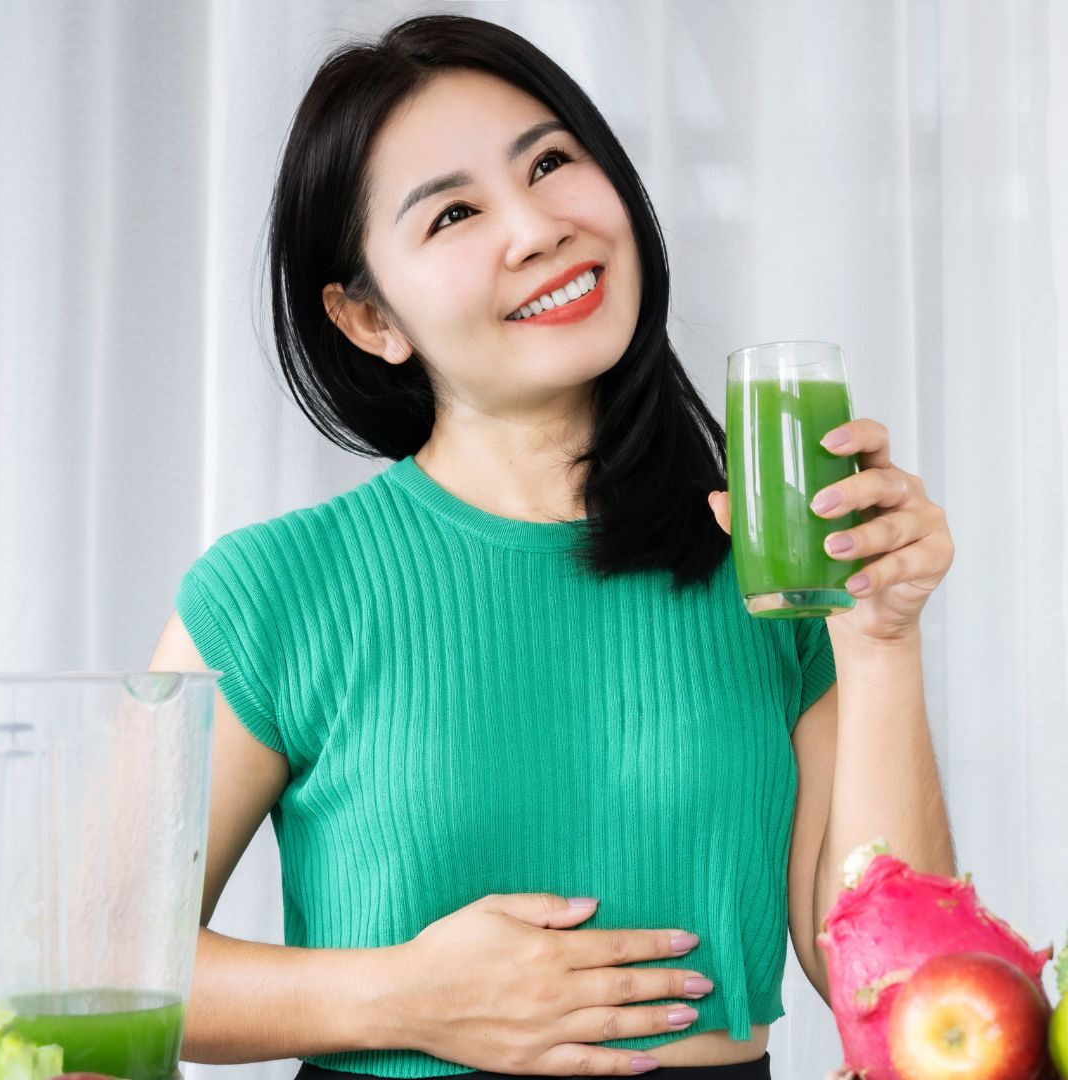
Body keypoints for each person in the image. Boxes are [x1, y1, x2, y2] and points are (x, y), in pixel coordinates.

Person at [148, 13, 957, 1080]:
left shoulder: (763, 567)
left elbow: (904, 1006)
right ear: (367, 319)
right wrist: (410, 997)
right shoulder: (274, 592)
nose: (535, 227)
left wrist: (880, 642)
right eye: (452, 214)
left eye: (551, 162)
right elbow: (93, 964)